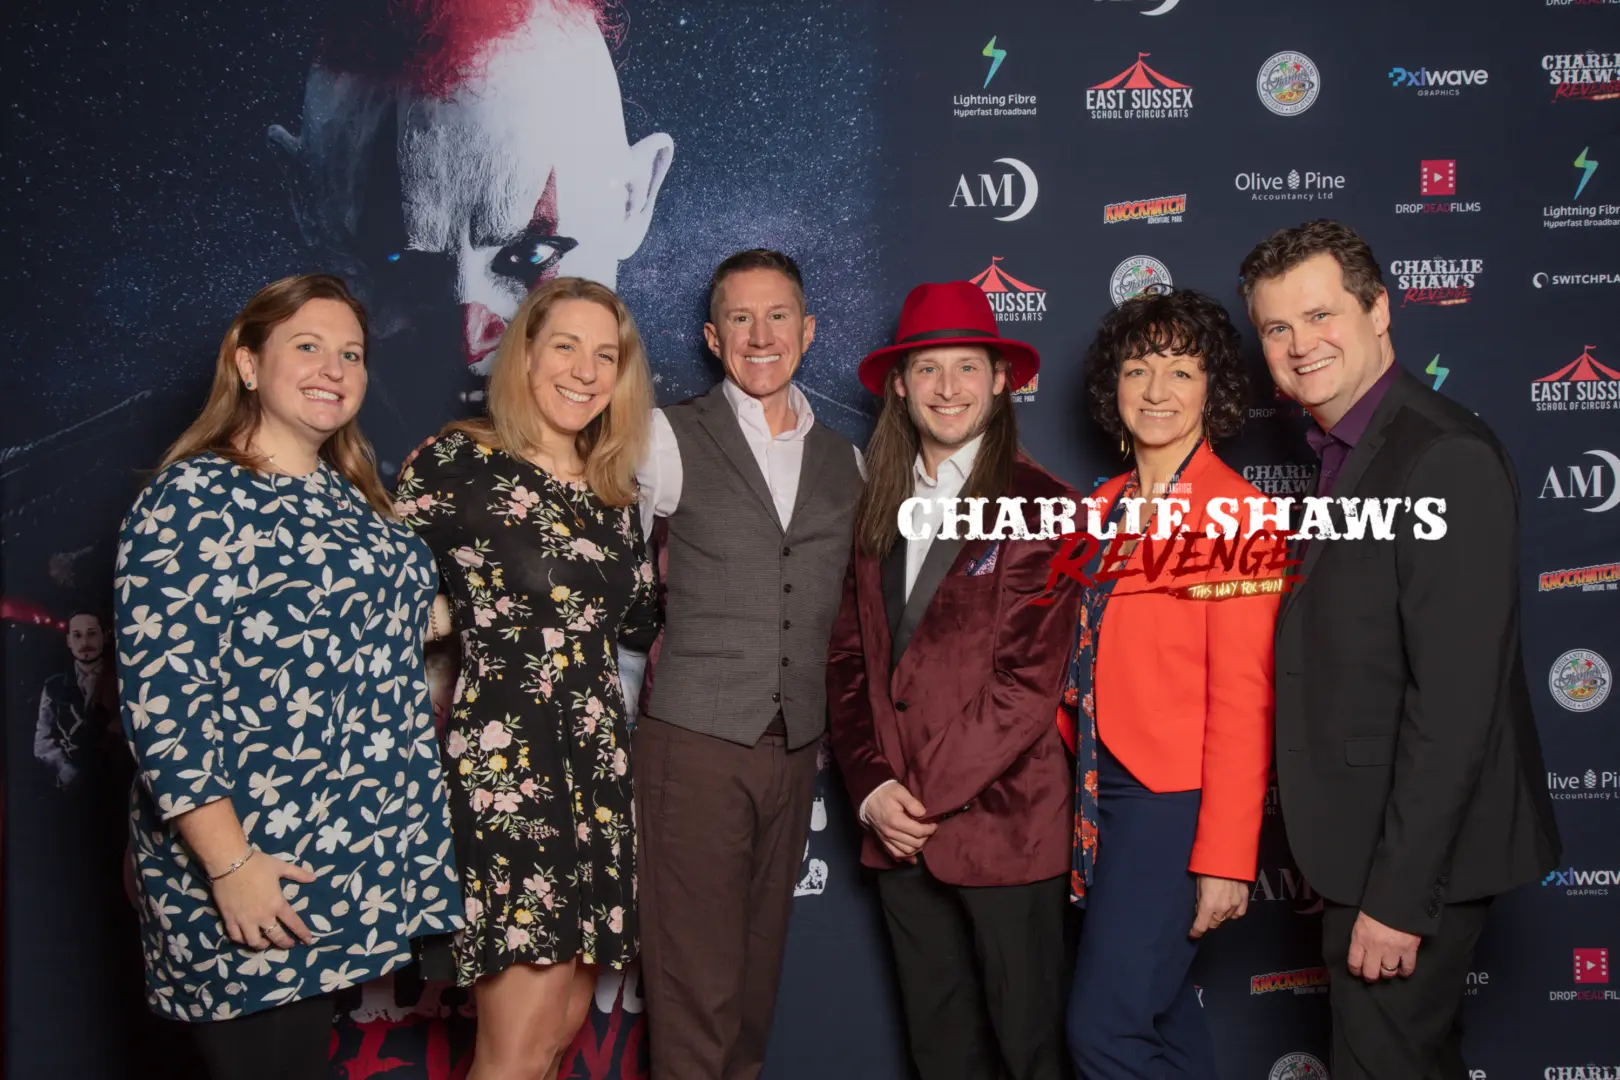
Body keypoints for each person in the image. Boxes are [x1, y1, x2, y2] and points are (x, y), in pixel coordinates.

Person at [113, 274, 463, 1080]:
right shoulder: (195, 496)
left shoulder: (350, 497)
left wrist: (447, 612)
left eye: (351, 354)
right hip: (256, 865)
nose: (333, 368)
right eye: (307, 346)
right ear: (247, 362)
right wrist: (230, 867)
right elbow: (165, 703)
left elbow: (381, 621)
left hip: (341, 865)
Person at [1239, 220, 1561, 1079]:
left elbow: (1457, 704)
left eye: (1321, 316)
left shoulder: (1442, 456)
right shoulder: (1351, 450)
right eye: (1277, 328)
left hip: (1409, 867)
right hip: (1366, 847)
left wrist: (1397, 900)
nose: (1301, 346)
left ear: (1379, 310)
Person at [395, 276, 659, 1080]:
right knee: (513, 1051)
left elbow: (633, 627)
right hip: (511, 768)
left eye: (605, 356)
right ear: (525, 356)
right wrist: (442, 612)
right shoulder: (457, 462)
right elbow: (377, 598)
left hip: (598, 771)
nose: (585, 371)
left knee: (556, 1035)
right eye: (565, 347)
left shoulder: (613, 490)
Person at [826, 280, 1085, 1080]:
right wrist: (872, 788)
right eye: (928, 369)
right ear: (900, 387)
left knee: (1032, 1053)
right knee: (940, 1057)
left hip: (1005, 831)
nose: (948, 388)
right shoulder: (876, 506)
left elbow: (1025, 685)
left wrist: (914, 798)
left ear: (1000, 380)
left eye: (966, 367)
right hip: (897, 834)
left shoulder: (1044, 506)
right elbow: (849, 662)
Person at [631, 249, 863, 1080]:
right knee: (696, 989)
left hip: (794, 747)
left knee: (755, 985)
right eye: (740, 318)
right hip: (693, 741)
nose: (760, 336)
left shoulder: (847, 459)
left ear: (808, 330)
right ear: (712, 336)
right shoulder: (664, 436)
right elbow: (598, 567)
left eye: (777, 317)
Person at [269, 0, 672, 459]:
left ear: (633, 200)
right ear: (305, 202)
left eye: (531, 256)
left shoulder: (660, 469)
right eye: (401, 264)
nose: (469, 337)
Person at [1061, 290, 1279, 1079]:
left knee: (1106, 1033)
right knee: (1163, 1021)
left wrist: (1226, 855)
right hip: (1098, 791)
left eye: (1181, 371)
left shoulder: (1240, 516)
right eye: (1137, 369)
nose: (1156, 390)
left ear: (1211, 389)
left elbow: (1246, 700)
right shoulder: (1103, 505)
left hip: (1172, 802)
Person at [34, 611, 116, 789]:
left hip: (116, 783)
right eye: (77, 636)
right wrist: (66, 770)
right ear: (69, 641)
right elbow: (43, 739)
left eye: (91, 634)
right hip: (69, 786)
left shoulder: (119, 681)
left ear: (105, 636)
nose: (85, 643)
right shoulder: (53, 686)